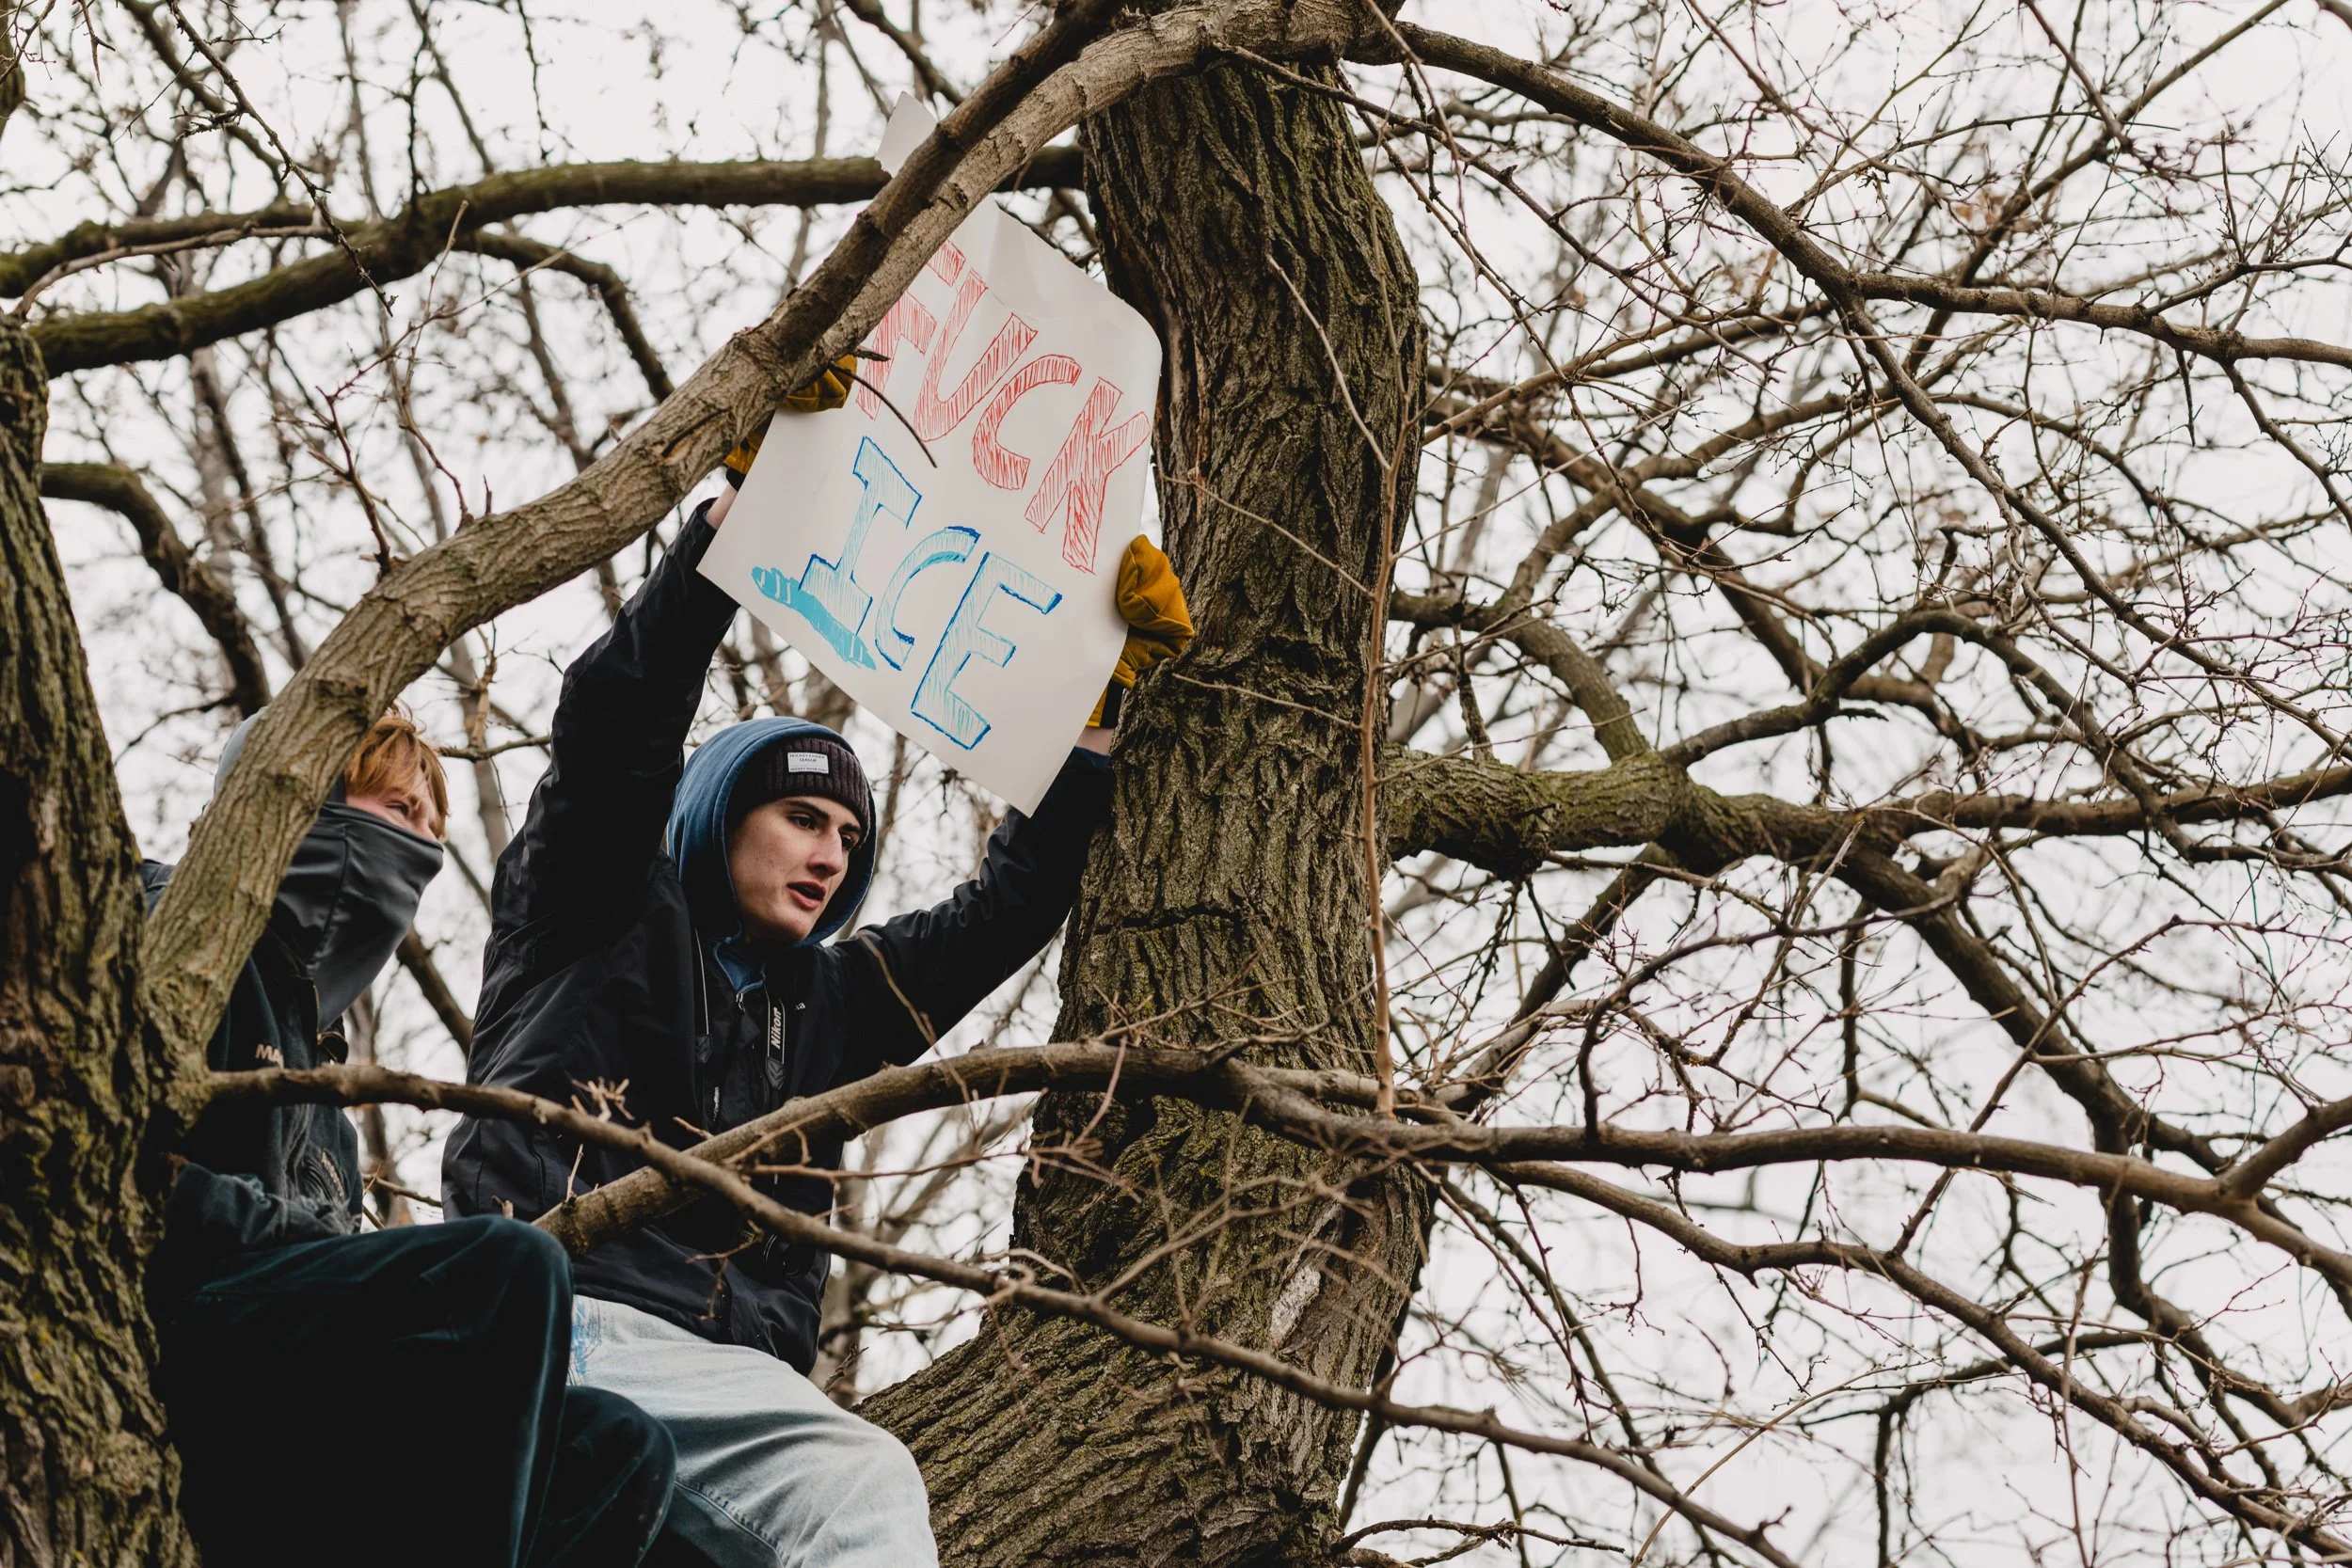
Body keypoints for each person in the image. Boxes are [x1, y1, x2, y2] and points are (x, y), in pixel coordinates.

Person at [439, 367, 1192, 1567]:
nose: (831, 851)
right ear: (715, 816)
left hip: (712, 1399)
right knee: (855, 1485)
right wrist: (742, 515)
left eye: (850, 837)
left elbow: (1000, 916)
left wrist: (1093, 719)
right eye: (802, 818)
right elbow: (617, 723)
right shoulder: (595, 906)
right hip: (556, 1324)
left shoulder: (830, 1009)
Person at [149, 707, 677, 1568]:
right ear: (296, 801)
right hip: (179, 1338)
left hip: (286, 1404)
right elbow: (120, 1171)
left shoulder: (327, 1091)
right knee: (509, 1269)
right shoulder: (177, 934)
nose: (423, 854)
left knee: (617, 1446)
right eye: (400, 812)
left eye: (435, 830)